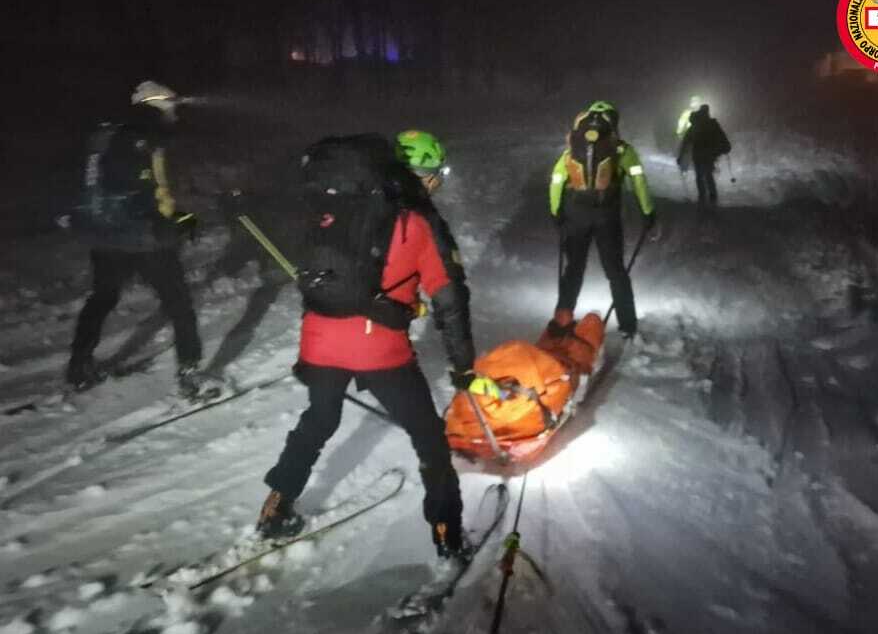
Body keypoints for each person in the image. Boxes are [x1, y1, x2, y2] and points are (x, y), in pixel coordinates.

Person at [257, 131, 498, 560]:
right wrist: (462, 366)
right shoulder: (417, 223)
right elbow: (449, 299)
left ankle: (276, 505)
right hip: (377, 349)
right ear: (421, 177)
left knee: (319, 419)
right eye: (435, 176)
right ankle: (447, 532)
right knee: (428, 436)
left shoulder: (332, 210)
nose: (437, 184)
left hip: (318, 340)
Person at [66, 80, 219, 399]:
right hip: (142, 237)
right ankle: (190, 375)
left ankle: (78, 366)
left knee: (102, 297)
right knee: (179, 304)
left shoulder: (106, 136)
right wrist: (175, 222)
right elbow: (151, 193)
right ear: (158, 106)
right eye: (171, 106)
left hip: (104, 234)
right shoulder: (146, 136)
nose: (175, 113)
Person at [548, 101, 656, 341]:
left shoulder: (573, 147)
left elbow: (557, 179)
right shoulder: (622, 150)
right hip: (607, 217)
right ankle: (627, 324)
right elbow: (638, 180)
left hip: (576, 216)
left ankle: (562, 318)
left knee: (573, 269)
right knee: (615, 271)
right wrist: (647, 211)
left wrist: (556, 212)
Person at [676, 104, 732, 211]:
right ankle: (712, 197)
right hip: (708, 154)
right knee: (708, 175)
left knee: (699, 175)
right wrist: (726, 147)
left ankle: (702, 197)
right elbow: (722, 136)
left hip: (698, 154)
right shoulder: (711, 124)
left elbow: (686, 141)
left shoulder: (696, 125)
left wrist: (681, 156)